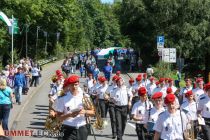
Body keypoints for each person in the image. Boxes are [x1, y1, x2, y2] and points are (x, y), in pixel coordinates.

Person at [55, 75, 95, 140]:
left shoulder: (85, 96)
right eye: (72, 85)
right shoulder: (62, 98)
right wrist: (69, 115)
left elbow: (93, 112)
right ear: (68, 86)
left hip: (82, 129)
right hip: (67, 129)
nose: (74, 87)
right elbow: (58, 118)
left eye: (76, 84)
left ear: (78, 84)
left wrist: (85, 111)